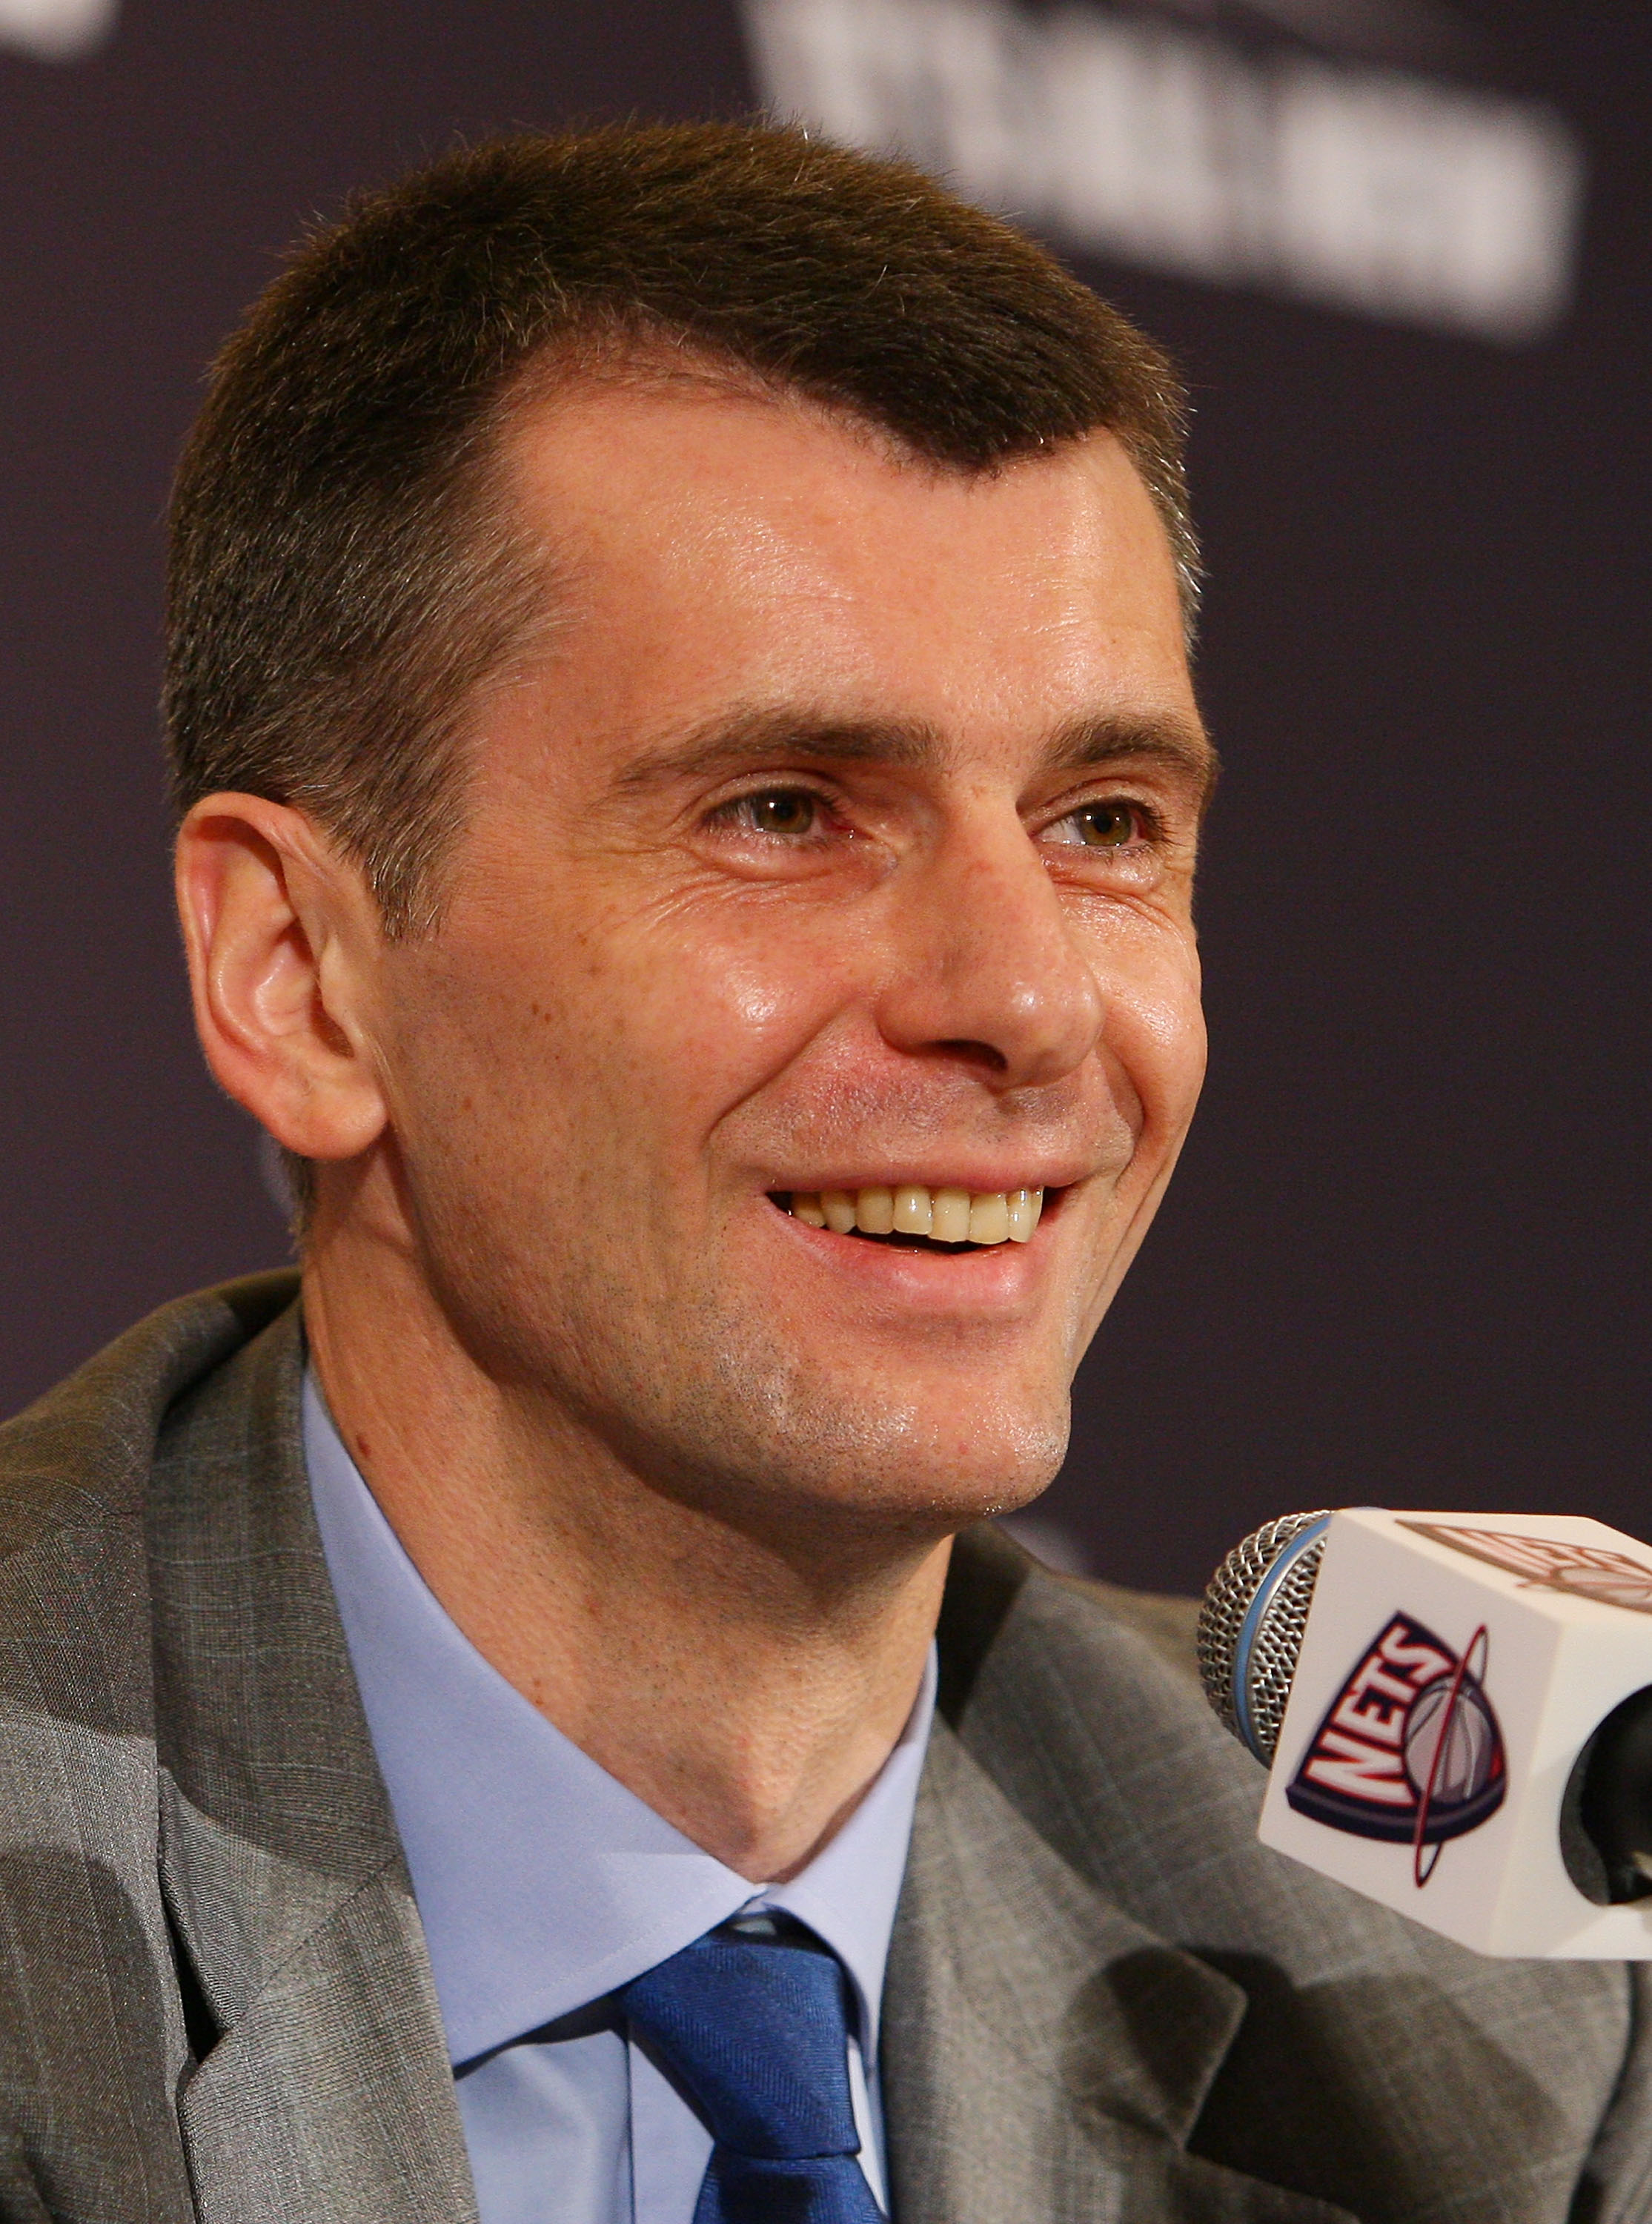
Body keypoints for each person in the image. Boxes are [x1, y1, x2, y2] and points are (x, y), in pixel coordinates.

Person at [0, 122, 1645, 2224]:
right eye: (786, 810)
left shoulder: (1488, 2011)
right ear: (303, 977)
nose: (1028, 1003)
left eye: (1107, 822)